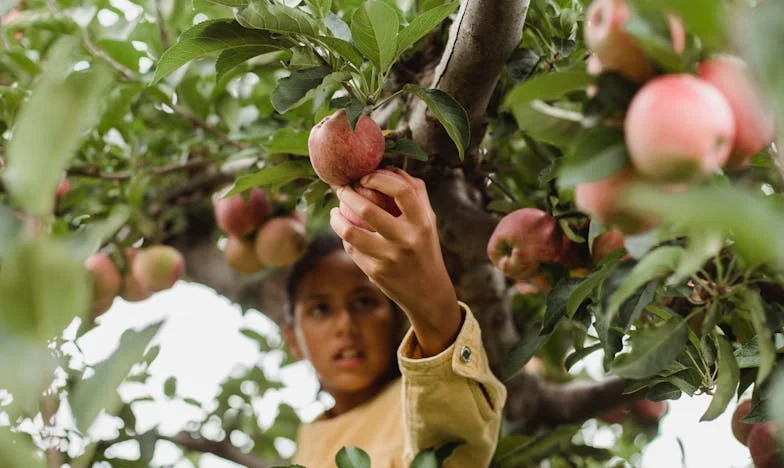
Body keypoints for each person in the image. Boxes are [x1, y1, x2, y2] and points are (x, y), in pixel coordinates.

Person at [282, 168, 506, 467]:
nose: (345, 326)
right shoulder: (307, 442)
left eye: (363, 302)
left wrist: (435, 308)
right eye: (320, 309)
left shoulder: (419, 401)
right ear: (292, 339)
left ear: (396, 319)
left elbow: (455, 437)